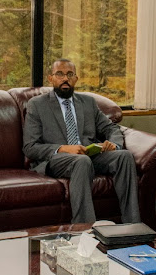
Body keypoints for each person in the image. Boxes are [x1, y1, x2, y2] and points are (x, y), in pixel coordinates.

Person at [23, 58, 140, 224]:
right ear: (51, 78)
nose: (65, 79)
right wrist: (64, 148)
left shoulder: (88, 103)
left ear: (76, 78)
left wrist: (114, 144)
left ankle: (132, 225)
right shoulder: (37, 104)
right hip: (57, 159)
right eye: (60, 74)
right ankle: (84, 229)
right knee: (81, 161)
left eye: (70, 74)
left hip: (89, 154)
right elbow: (30, 147)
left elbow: (111, 128)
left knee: (124, 156)